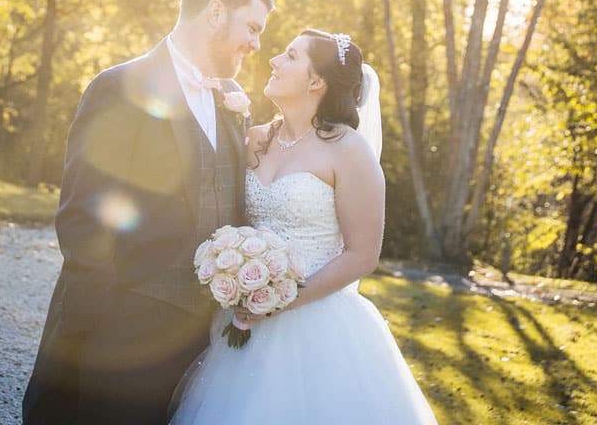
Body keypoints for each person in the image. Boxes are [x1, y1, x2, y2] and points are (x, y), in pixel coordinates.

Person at [22, 0, 274, 425]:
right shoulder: (120, 86)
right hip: (123, 324)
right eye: (253, 28)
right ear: (215, 13)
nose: (256, 43)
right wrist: (104, 319)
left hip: (201, 336)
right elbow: (83, 210)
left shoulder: (231, 100)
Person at [169, 29, 439, 425]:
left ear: (317, 81)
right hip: (242, 312)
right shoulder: (254, 138)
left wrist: (280, 300)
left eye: (291, 56)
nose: (275, 60)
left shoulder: (350, 151)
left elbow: (363, 255)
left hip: (318, 322)